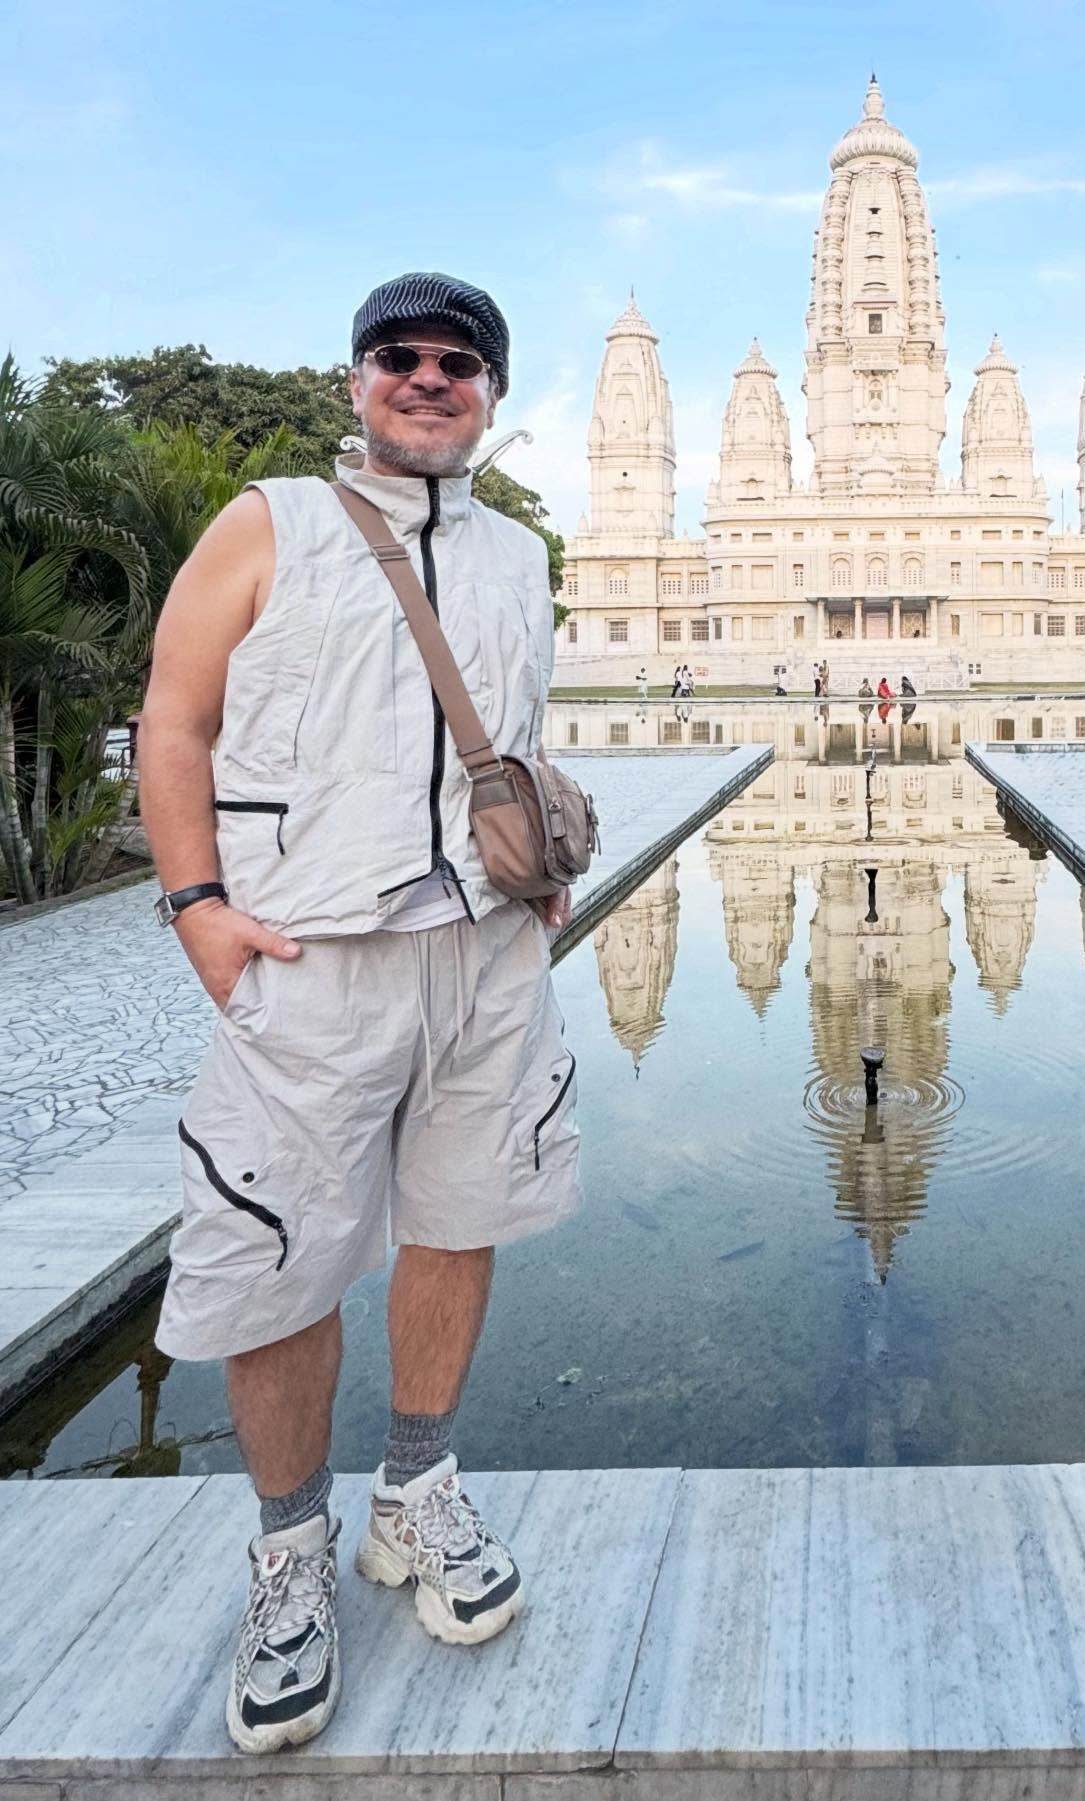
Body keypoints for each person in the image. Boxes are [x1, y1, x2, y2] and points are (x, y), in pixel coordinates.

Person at [140, 274, 581, 1756]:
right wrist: (199, 906)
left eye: (459, 362)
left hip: (480, 957)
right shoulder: (270, 519)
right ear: (356, 380)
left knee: (459, 1219)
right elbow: (174, 715)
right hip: (312, 957)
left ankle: (415, 1488)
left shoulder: (520, 557)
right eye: (401, 356)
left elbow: (509, 732)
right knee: (281, 1257)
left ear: (492, 393)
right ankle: (287, 1555)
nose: (429, 378)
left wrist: (542, 870)